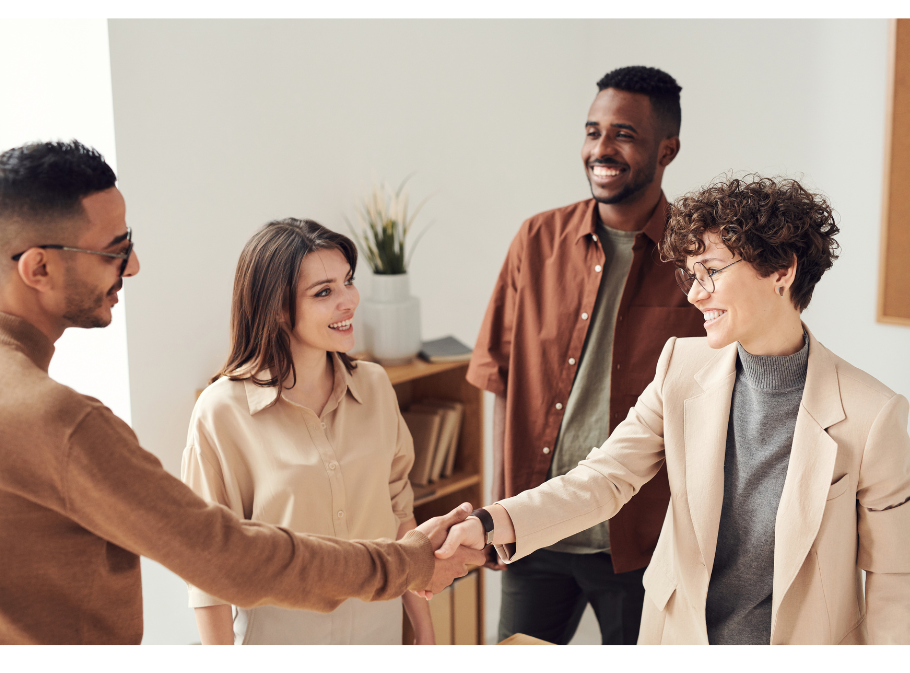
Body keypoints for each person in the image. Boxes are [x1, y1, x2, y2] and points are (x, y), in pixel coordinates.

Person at [0, 140, 484, 645]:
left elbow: (395, 506)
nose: (133, 267)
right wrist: (409, 561)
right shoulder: (61, 421)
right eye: (114, 251)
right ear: (37, 267)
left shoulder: (372, 386)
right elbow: (223, 558)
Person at [438, 175, 910, 645]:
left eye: (711, 271)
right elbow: (604, 478)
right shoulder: (679, 367)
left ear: (781, 271)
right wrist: (488, 523)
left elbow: (896, 577)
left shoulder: (873, 415)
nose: (694, 294)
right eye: (691, 274)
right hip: (679, 642)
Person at [466, 65, 705, 644]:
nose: (602, 148)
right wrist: (500, 511)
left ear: (666, 150)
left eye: (624, 134)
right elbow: (498, 380)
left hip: (641, 542)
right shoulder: (535, 241)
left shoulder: (699, 256)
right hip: (534, 530)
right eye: (593, 130)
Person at [182, 218, 436, 645]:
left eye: (348, 282)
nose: (348, 301)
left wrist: (425, 632)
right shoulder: (222, 411)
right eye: (324, 292)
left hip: (381, 639)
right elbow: (208, 568)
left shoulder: (374, 387)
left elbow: (400, 516)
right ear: (278, 309)